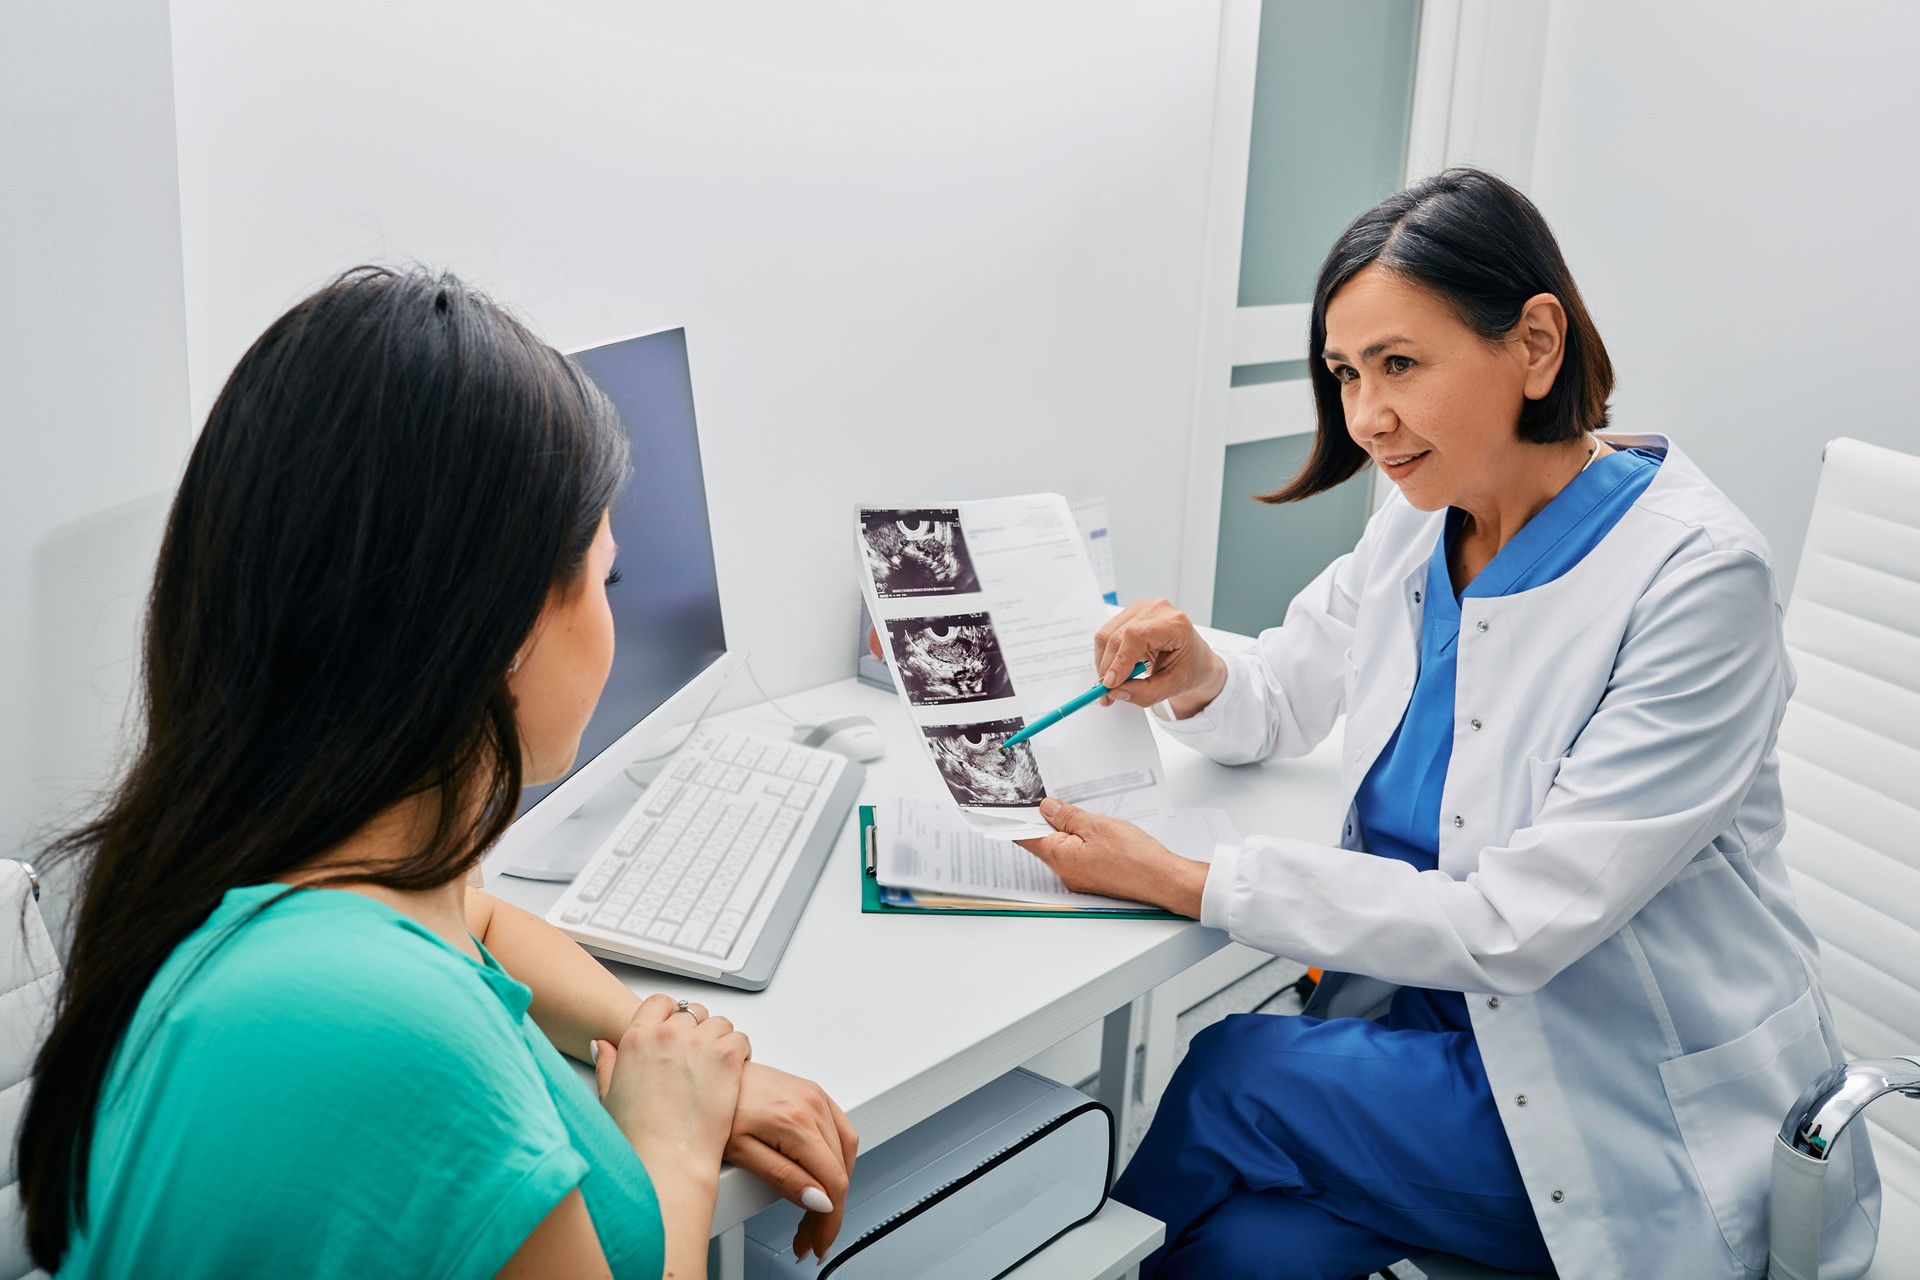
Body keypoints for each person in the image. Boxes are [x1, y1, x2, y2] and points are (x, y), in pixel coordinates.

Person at [1015, 169, 1881, 1279]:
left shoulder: (1694, 580)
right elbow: (1281, 694)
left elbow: (1517, 923)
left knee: (1241, 1069)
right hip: (1444, 1044)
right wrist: (1195, 670)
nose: (1368, 415)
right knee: (1238, 1254)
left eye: (1400, 365)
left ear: (1533, 343)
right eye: (1346, 373)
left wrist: (1195, 878)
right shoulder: (1422, 523)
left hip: (1623, 1106)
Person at [18, 267, 855, 1278]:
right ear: (500, 627)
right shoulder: (395, 1039)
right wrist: (672, 1135)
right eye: (606, 576)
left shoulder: (257, 864)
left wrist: (653, 1031)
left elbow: (476, 919)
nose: (613, 616)